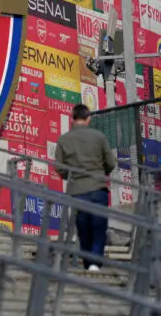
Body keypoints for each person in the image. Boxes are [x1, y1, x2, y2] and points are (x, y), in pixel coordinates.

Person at [55, 103, 116, 272]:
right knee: (99, 227)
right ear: (88, 118)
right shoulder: (99, 136)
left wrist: (70, 175)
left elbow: (59, 167)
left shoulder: (64, 139)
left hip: (77, 190)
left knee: (83, 229)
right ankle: (95, 263)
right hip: (98, 187)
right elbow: (111, 162)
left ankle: (89, 262)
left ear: (72, 119)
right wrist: (102, 171)